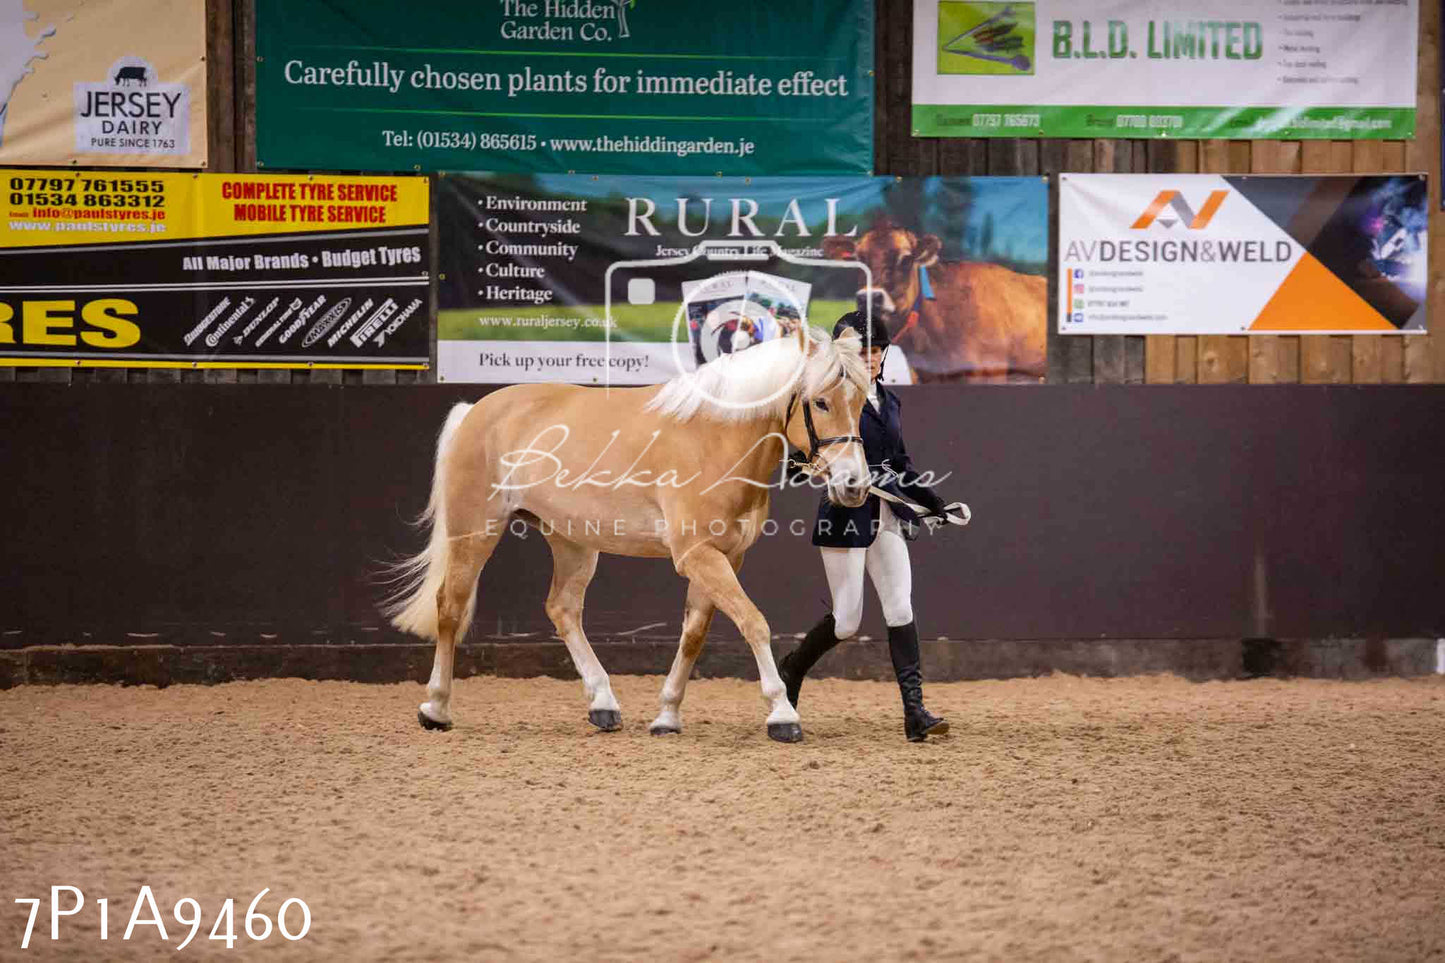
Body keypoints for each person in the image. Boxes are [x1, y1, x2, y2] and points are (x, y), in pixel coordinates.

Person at [777, 311, 954, 742]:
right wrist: (814, 468)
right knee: (846, 621)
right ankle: (792, 668)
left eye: (877, 351)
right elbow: (797, 461)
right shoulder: (829, 398)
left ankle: (915, 712)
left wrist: (936, 504)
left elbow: (901, 464)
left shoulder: (890, 402)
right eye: (864, 351)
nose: (871, 359)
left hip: (887, 515)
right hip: (845, 515)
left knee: (900, 608)